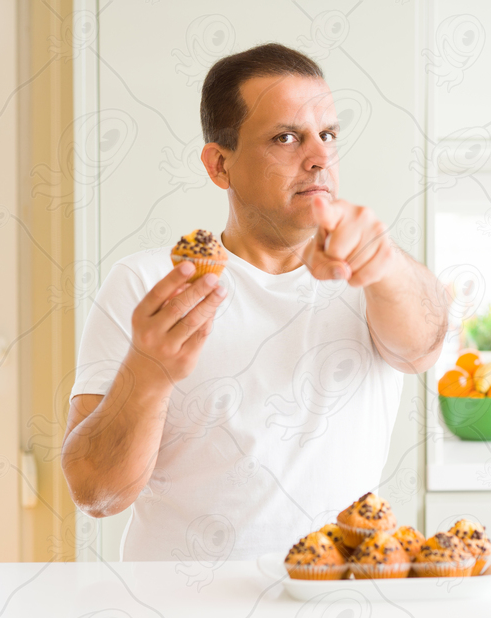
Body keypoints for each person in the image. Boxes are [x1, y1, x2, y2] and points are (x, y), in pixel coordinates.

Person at [61, 43, 450, 561]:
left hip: (336, 608)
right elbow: (97, 494)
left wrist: (385, 262)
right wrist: (149, 373)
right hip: (178, 617)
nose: (318, 157)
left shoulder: (375, 273)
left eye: (328, 135)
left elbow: (422, 348)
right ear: (219, 165)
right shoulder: (150, 284)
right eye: (286, 137)